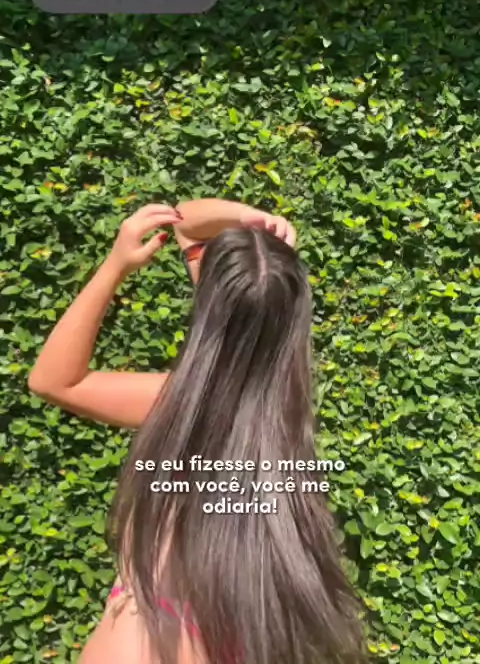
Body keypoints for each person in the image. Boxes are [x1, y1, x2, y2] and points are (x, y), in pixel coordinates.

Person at [28, 198, 367, 664]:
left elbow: (52, 381)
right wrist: (249, 222)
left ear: (209, 312)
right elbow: (188, 228)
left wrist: (115, 265)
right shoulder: (284, 428)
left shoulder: (179, 405)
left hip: (144, 639)